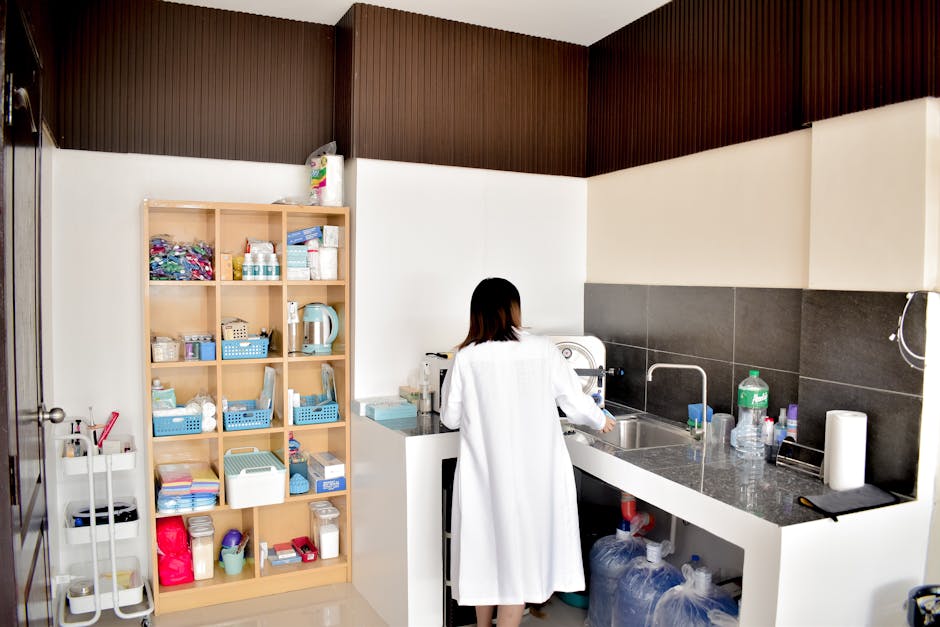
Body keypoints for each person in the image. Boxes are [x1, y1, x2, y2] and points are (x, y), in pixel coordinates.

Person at [441, 277, 616, 627]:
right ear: (513, 309)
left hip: (485, 479)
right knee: (516, 567)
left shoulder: (466, 357)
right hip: (533, 480)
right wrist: (600, 420)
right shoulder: (541, 348)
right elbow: (573, 400)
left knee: (486, 560)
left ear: (476, 314)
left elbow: (449, 417)